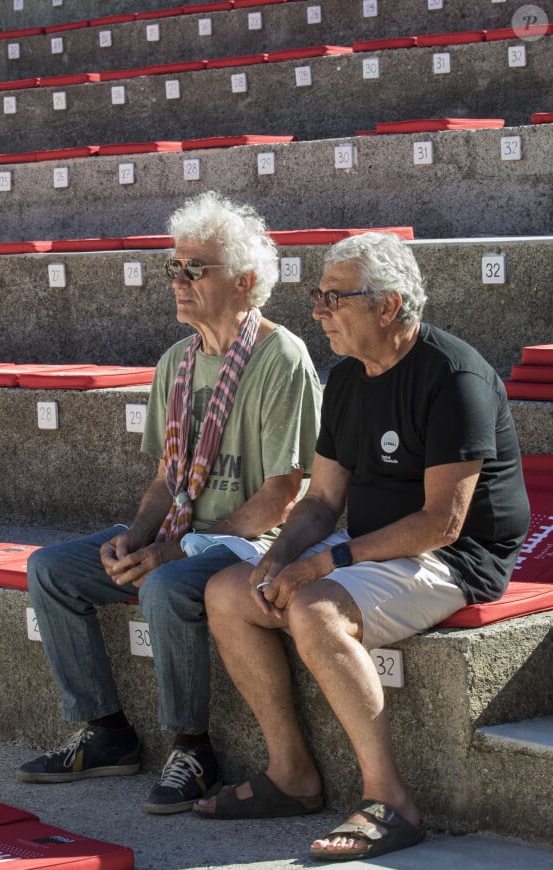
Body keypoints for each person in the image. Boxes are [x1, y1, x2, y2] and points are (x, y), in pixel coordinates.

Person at [195, 232, 531, 862]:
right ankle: (292, 774)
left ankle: (391, 800)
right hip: (377, 545)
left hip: (456, 558)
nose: (318, 310)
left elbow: (442, 524)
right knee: (227, 591)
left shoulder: (454, 377)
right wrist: (277, 555)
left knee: (314, 609)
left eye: (333, 298)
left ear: (388, 305)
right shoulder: (348, 377)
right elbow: (321, 502)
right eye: (317, 295)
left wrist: (322, 564)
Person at [17, 190, 322, 816]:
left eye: (194, 269)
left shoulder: (280, 356)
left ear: (243, 282)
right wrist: (135, 539)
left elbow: (282, 496)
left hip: (251, 543)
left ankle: (193, 748)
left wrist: (171, 550)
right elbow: (166, 478)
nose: (178, 281)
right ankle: (106, 733)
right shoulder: (176, 363)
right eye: (172, 268)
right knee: (51, 569)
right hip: (181, 533)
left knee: (165, 586)